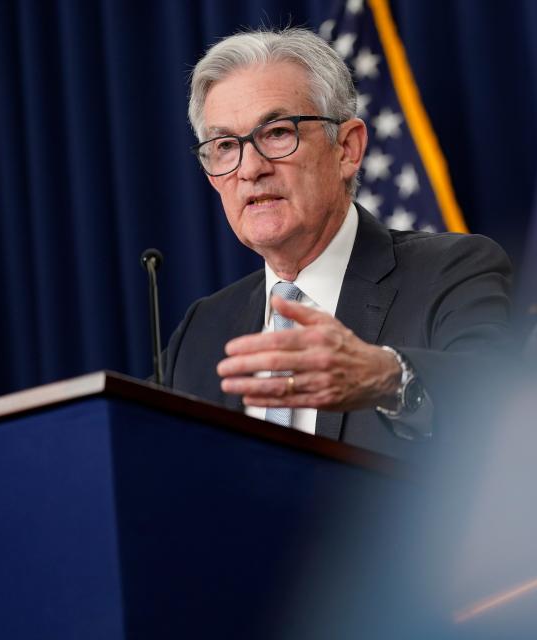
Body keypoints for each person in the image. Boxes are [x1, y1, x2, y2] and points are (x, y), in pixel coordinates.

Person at [162, 27, 512, 459]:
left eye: (276, 133)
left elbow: (500, 404)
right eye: (225, 145)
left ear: (347, 148)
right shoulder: (202, 330)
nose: (250, 168)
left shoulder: (452, 271)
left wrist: (389, 378)